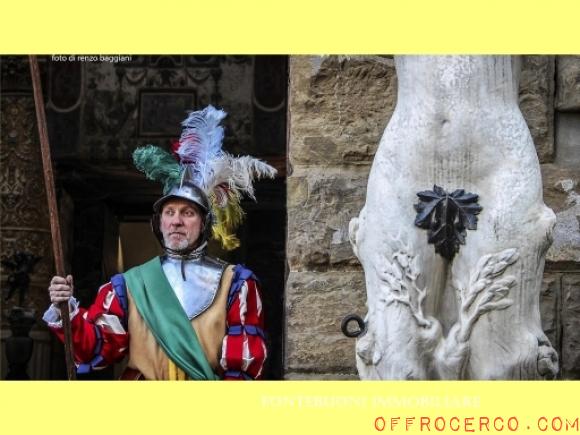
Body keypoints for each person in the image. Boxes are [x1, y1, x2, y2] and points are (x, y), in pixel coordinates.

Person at [44, 105, 276, 380]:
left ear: (204, 224)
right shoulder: (128, 285)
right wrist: (66, 309)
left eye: (188, 213)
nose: (176, 221)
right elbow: (98, 349)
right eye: (169, 213)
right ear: (159, 223)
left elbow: (243, 370)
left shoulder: (236, 284)